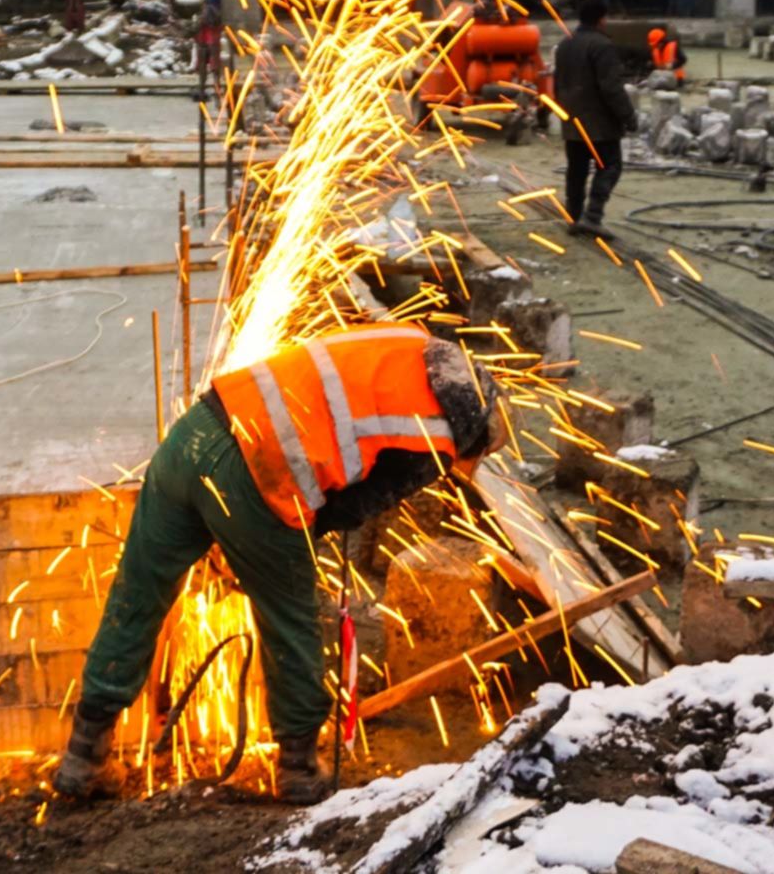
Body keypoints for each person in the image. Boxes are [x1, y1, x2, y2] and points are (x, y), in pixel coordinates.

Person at [53, 324, 508, 805]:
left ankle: (83, 756)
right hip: (258, 471)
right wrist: (267, 543)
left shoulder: (410, 342)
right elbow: (352, 507)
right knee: (291, 616)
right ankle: (298, 770)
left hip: (193, 433)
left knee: (138, 592)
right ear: (472, 436)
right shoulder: (438, 438)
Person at [552, 0, 639, 237]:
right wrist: (628, 116)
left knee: (576, 170)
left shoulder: (566, 44)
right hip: (599, 123)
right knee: (609, 166)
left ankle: (574, 217)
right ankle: (592, 216)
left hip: (573, 121)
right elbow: (611, 87)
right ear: (602, 18)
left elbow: (557, 83)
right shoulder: (602, 46)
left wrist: (564, 111)